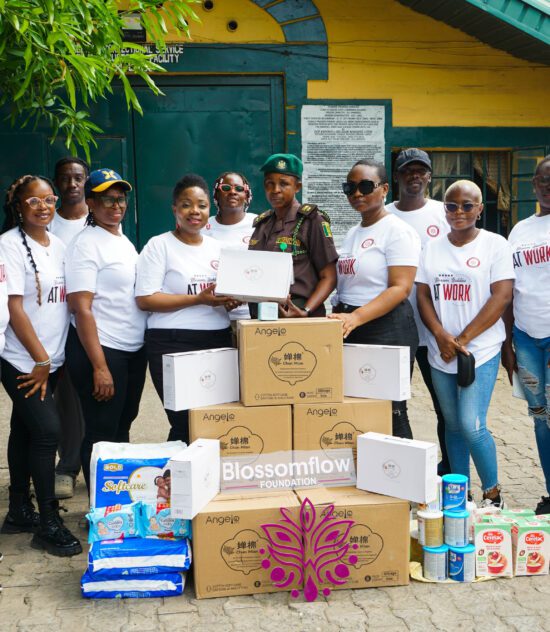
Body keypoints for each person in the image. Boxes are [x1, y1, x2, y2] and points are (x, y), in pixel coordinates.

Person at [416, 180, 514, 506]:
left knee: (472, 425)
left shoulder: (495, 245)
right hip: (440, 351)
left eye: (467, 205)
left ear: (480, 209)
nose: (459, 212)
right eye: (451, 206)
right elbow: (423, 295)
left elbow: (501, 297)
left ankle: (493, 493)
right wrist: (442, 337)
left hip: (478, 351)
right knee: (453, 426)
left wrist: (462, 339)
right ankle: (459, 496)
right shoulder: (431, 248)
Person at [0, 174, 81, 556]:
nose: (44, 207)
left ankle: (18, 509)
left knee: (25, 428)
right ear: (18, 205)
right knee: (48, 432)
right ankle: (48, 522)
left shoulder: (60, 245)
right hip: (22, 359)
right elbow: (15, 308)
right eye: (35, 201)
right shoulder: (9, 246)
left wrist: (53, 359)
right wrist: (40, 360)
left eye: (49, 200)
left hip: (52, 359)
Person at [135, 174, 237, 444]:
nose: (195, 212)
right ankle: (174, 482)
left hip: (217, 340)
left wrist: (233, 299)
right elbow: (145, 299)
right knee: (182, 420)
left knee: (213, 419)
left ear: (209, 211)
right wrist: (197, 299)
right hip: (172, 342)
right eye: (186, 205)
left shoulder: (220, 249)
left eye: (202, 205)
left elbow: (228, 292)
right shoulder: (159, 246)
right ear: (175, 209)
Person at [64, 169, 147, 490]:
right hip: (102, 351)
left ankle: (118, 500)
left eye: (120, 198)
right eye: (107, 199)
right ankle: (99, 510)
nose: (116, 205)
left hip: (129, 350)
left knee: (121, 426)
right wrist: (99, 367)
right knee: (101, 433)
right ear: (90, 204)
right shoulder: (85, 245)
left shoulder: (120, 238)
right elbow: (81, 307)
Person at [329, 159, 421, 439]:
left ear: (384, 190)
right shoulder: (354, 233)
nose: (357, 193)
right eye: (350, 187)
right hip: (351, 326)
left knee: (391, 410)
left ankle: (405, 478)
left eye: (366, 186)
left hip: (387, 328)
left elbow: (400, 288)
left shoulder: (398, 231)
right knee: (358, 407)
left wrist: (355, 317)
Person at [386, 148, 451, 473]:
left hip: (437, 329)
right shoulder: (384, 215)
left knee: (446, 409)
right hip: (396, 327)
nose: (414, 176)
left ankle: (450, 470)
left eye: (420, 170)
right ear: (396, 176)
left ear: (429, 176)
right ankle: (403, 472)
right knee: (396, 406)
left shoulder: (444, 213)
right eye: (407, 171)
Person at [502, 155, 550, 515]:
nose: (546, 185)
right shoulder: (519, 230)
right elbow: (508, 290)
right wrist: (508, 344)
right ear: (533, 184)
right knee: (541, 416)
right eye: (542, 179)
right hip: (526, 337)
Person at [248, 153, 338, 317]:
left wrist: (305, 310)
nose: (275, 190)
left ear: (297, 187)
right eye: (270, 184)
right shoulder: (262, 224)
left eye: (284, 184)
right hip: (262, 314)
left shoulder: (312, 221)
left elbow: (329, 277)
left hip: (298, 313)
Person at [50, 156, 90, 500]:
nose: (72, 184)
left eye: (78, 177)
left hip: (93, 321)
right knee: (65, 398)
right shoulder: (49, 222)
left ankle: (97, 461)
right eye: (65, 178)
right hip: (58, 321)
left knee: (97, 392)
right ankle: (67, 467)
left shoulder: (101, 218)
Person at [203, 171, 255, 322]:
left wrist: (243, 296)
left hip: (250, 315)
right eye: (226, 188)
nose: (232, 192)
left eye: (239, 189)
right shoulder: (202, 227)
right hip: (211, 316)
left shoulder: (259, 225)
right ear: (216, 195)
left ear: (246, 196)